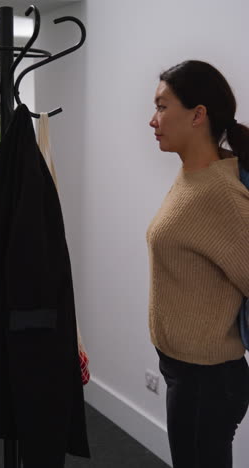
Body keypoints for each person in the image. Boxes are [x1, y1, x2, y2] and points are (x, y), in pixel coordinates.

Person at [147, 60, 249, 468]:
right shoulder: (192, 175)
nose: (152, 119)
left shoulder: (221, 195)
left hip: (208, 378)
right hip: (184, 370)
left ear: (198, 114)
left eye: (161, 106)